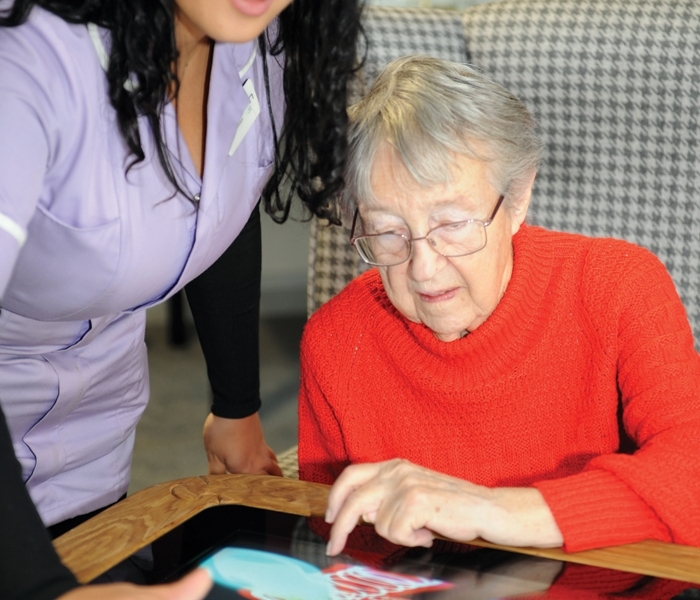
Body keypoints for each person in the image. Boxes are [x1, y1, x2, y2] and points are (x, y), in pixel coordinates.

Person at [0, 0, 362, 597]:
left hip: (96, 447)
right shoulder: (29, 59)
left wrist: (237, 408)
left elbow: (221, 198)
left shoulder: (258, 35)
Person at [298, 55, 700, 558]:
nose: (422, 268)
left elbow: (692, 469)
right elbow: (333, 541)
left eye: (452, 223)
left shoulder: (618, 287)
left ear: (516, 198)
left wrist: (490, 510)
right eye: (388, 232)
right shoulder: (336, 339)